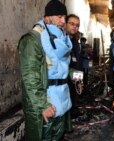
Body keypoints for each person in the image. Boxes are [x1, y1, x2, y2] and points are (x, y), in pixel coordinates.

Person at [18, 0, 72, 140]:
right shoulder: (32, 40)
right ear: (47, 18)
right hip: (44, 103)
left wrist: (72, 74)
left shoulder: (61, 39)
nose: (63, 21)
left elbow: (59, 67)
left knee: (58, 137)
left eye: (64, 17)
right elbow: (30, 77)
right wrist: (43, 105)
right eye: (59, 17)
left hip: (61, 100)